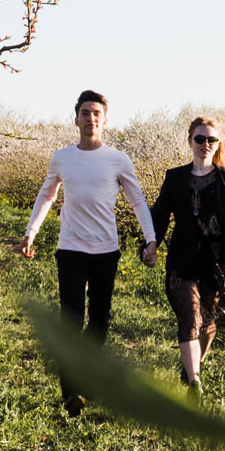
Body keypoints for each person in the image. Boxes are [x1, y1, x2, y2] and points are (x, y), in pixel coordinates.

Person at [21, 89, 154, 414]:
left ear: (104, 120)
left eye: (96, 113)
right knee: (70, 319)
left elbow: (137, 201)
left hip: (106, 251)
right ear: (76, 118)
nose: (90, 118)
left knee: (99, 321)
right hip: (70, 249)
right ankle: (72, 391)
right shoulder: (62, 158)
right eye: (85, 113)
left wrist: (150, 239)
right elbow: (47, 196)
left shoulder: (118, 160)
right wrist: (31, 232)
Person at [141, 114, 225, 389]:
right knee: (189, 314)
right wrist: (151, 244)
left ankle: (190, 368)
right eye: (200, 139)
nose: (205, 144)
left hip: (215, 265)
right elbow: (160, 214)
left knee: (208, 325)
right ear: (190, 141)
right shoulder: (175, 178)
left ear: (218, 143)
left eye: (211, 139)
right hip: (182, 261)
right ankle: (194, 383)